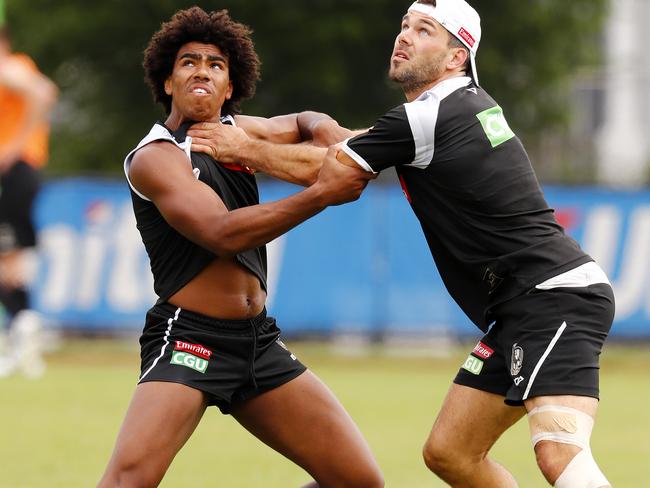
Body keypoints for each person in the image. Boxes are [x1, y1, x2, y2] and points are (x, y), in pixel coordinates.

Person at [187, 1, 615, 487]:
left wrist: (242, 148)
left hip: (553, 297)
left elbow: (328, 173)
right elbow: (355, 148)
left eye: (425, 30)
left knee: (559, 453)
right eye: (405, 25)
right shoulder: (451, 109)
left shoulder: (432, 115)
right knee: (451, 454)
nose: (405, 36)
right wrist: (291, 134)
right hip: (523, 306)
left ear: (457, 57)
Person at [97, 7, 383, 488]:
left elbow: (296, 121)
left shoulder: (238, 131)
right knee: (129, 481)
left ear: (229, 87)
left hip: (257, 341)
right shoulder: (156, 156)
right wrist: (320, 194)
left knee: (359, 482)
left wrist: (323, 123)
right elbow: (222, 233)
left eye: (215, 64)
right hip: (191, 339)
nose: (202, 71)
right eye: (188, 62)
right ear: (168, 82)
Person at [0, 20, 58, 378]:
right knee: (11, 259)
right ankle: (24, 337)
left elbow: (44, 93)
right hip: (15, 170)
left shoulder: (12, 65)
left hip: (16, 170)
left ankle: (26, 332)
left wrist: (17, 143)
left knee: (8, 255)